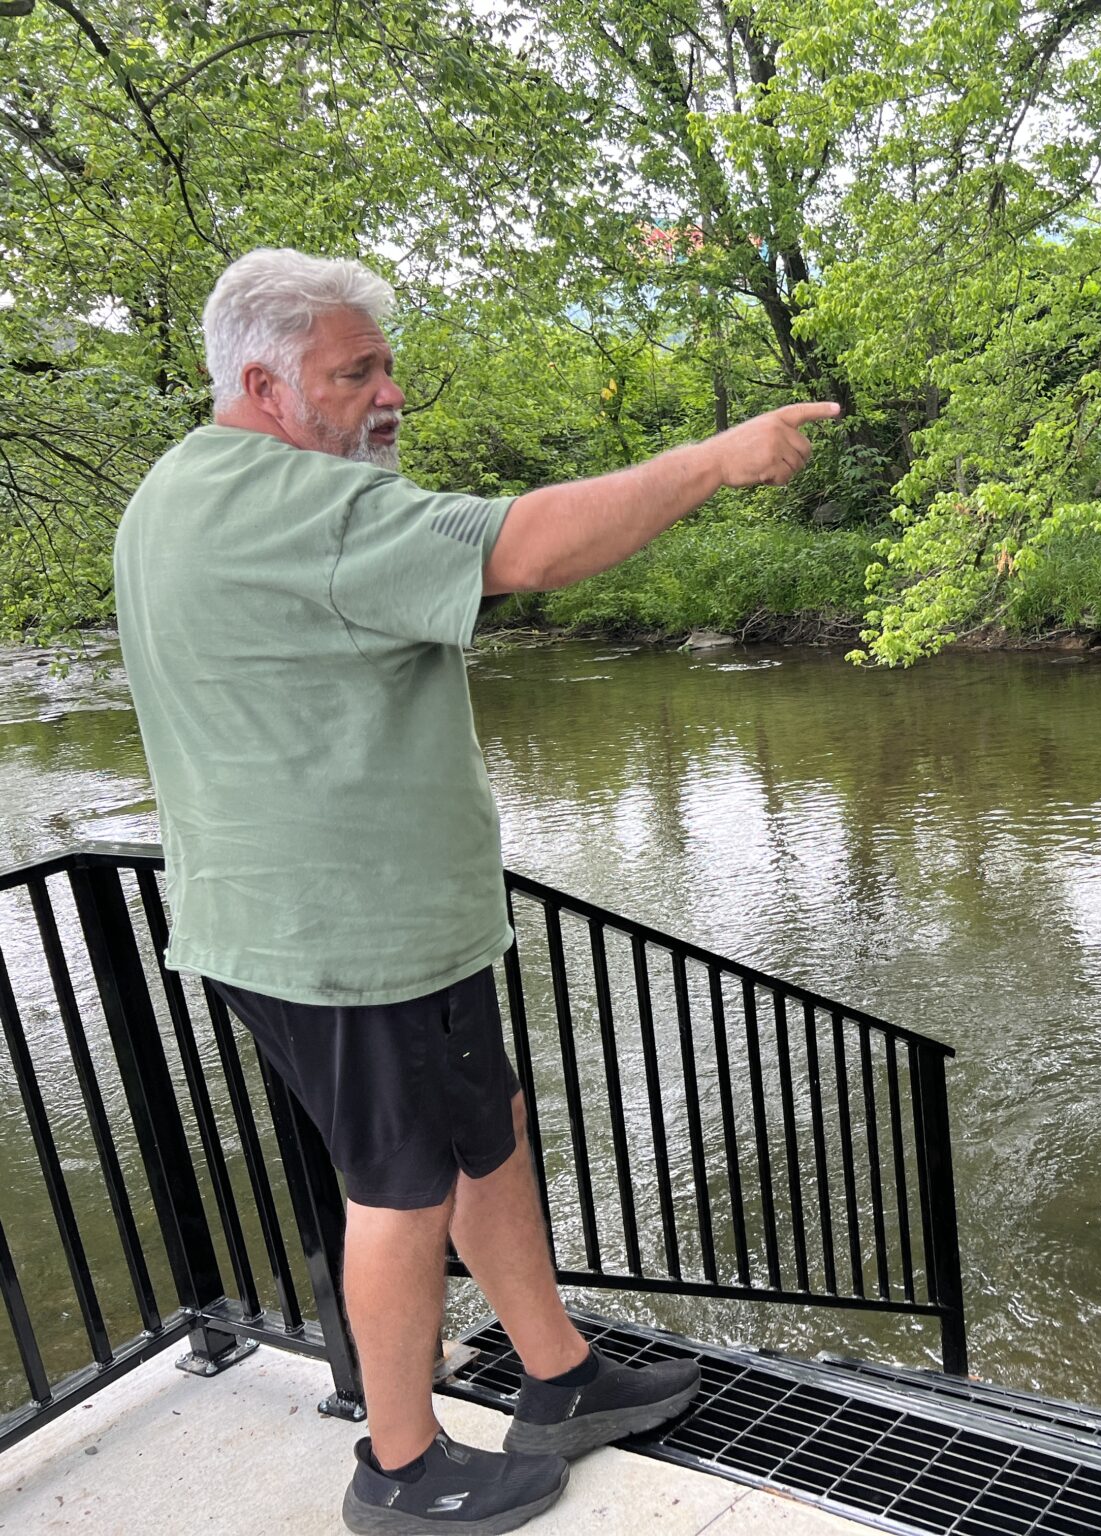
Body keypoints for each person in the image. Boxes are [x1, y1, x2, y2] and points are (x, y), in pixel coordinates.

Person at [112, 248, 838, 1534]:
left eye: (387, 363)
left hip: (340, 919)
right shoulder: (298, 505)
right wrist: (715, 460)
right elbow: (528, 547)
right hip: (347, 932)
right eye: (357, 371)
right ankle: (400, 1468)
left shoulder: (181, 484)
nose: (390, 394)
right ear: (268, 384)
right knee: (400, 1184)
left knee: (482, 1124)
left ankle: (560, 1378)